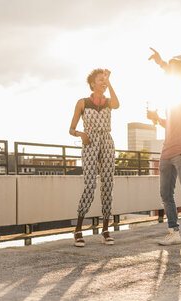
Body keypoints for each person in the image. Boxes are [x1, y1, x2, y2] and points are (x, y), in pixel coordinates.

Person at [147, 47, 181, 252]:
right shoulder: (172, 95)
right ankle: (174, 232)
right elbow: (170, 123)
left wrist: (161, 63)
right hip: (167, 151)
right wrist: (157, 118)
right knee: (165, 194)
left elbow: (172, 76)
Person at [69, 68, 120, 247]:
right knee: (90, 185)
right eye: (101, 79)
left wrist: (110, 81)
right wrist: (80, 134)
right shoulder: (82, 103)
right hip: (90, 141)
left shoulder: (107, 102)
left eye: (105, 79)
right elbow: (71, 129)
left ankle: (105, 230)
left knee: (108, 184)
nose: (103, 82)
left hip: (107, 140)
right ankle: (78, 230)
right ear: (92, 83)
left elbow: (117, 104)